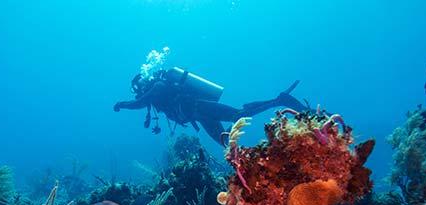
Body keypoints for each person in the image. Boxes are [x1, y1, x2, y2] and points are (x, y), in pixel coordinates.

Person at [114, 67, 308, 144]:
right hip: (198, 115)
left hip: (199, 108)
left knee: (237, 116)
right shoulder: (156, 91)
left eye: (138, 88)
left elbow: (139, 103)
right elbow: (144, 102)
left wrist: (121, 104)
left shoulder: (157, 86)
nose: (139, 91)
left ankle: (279, 100)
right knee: (225, 142)